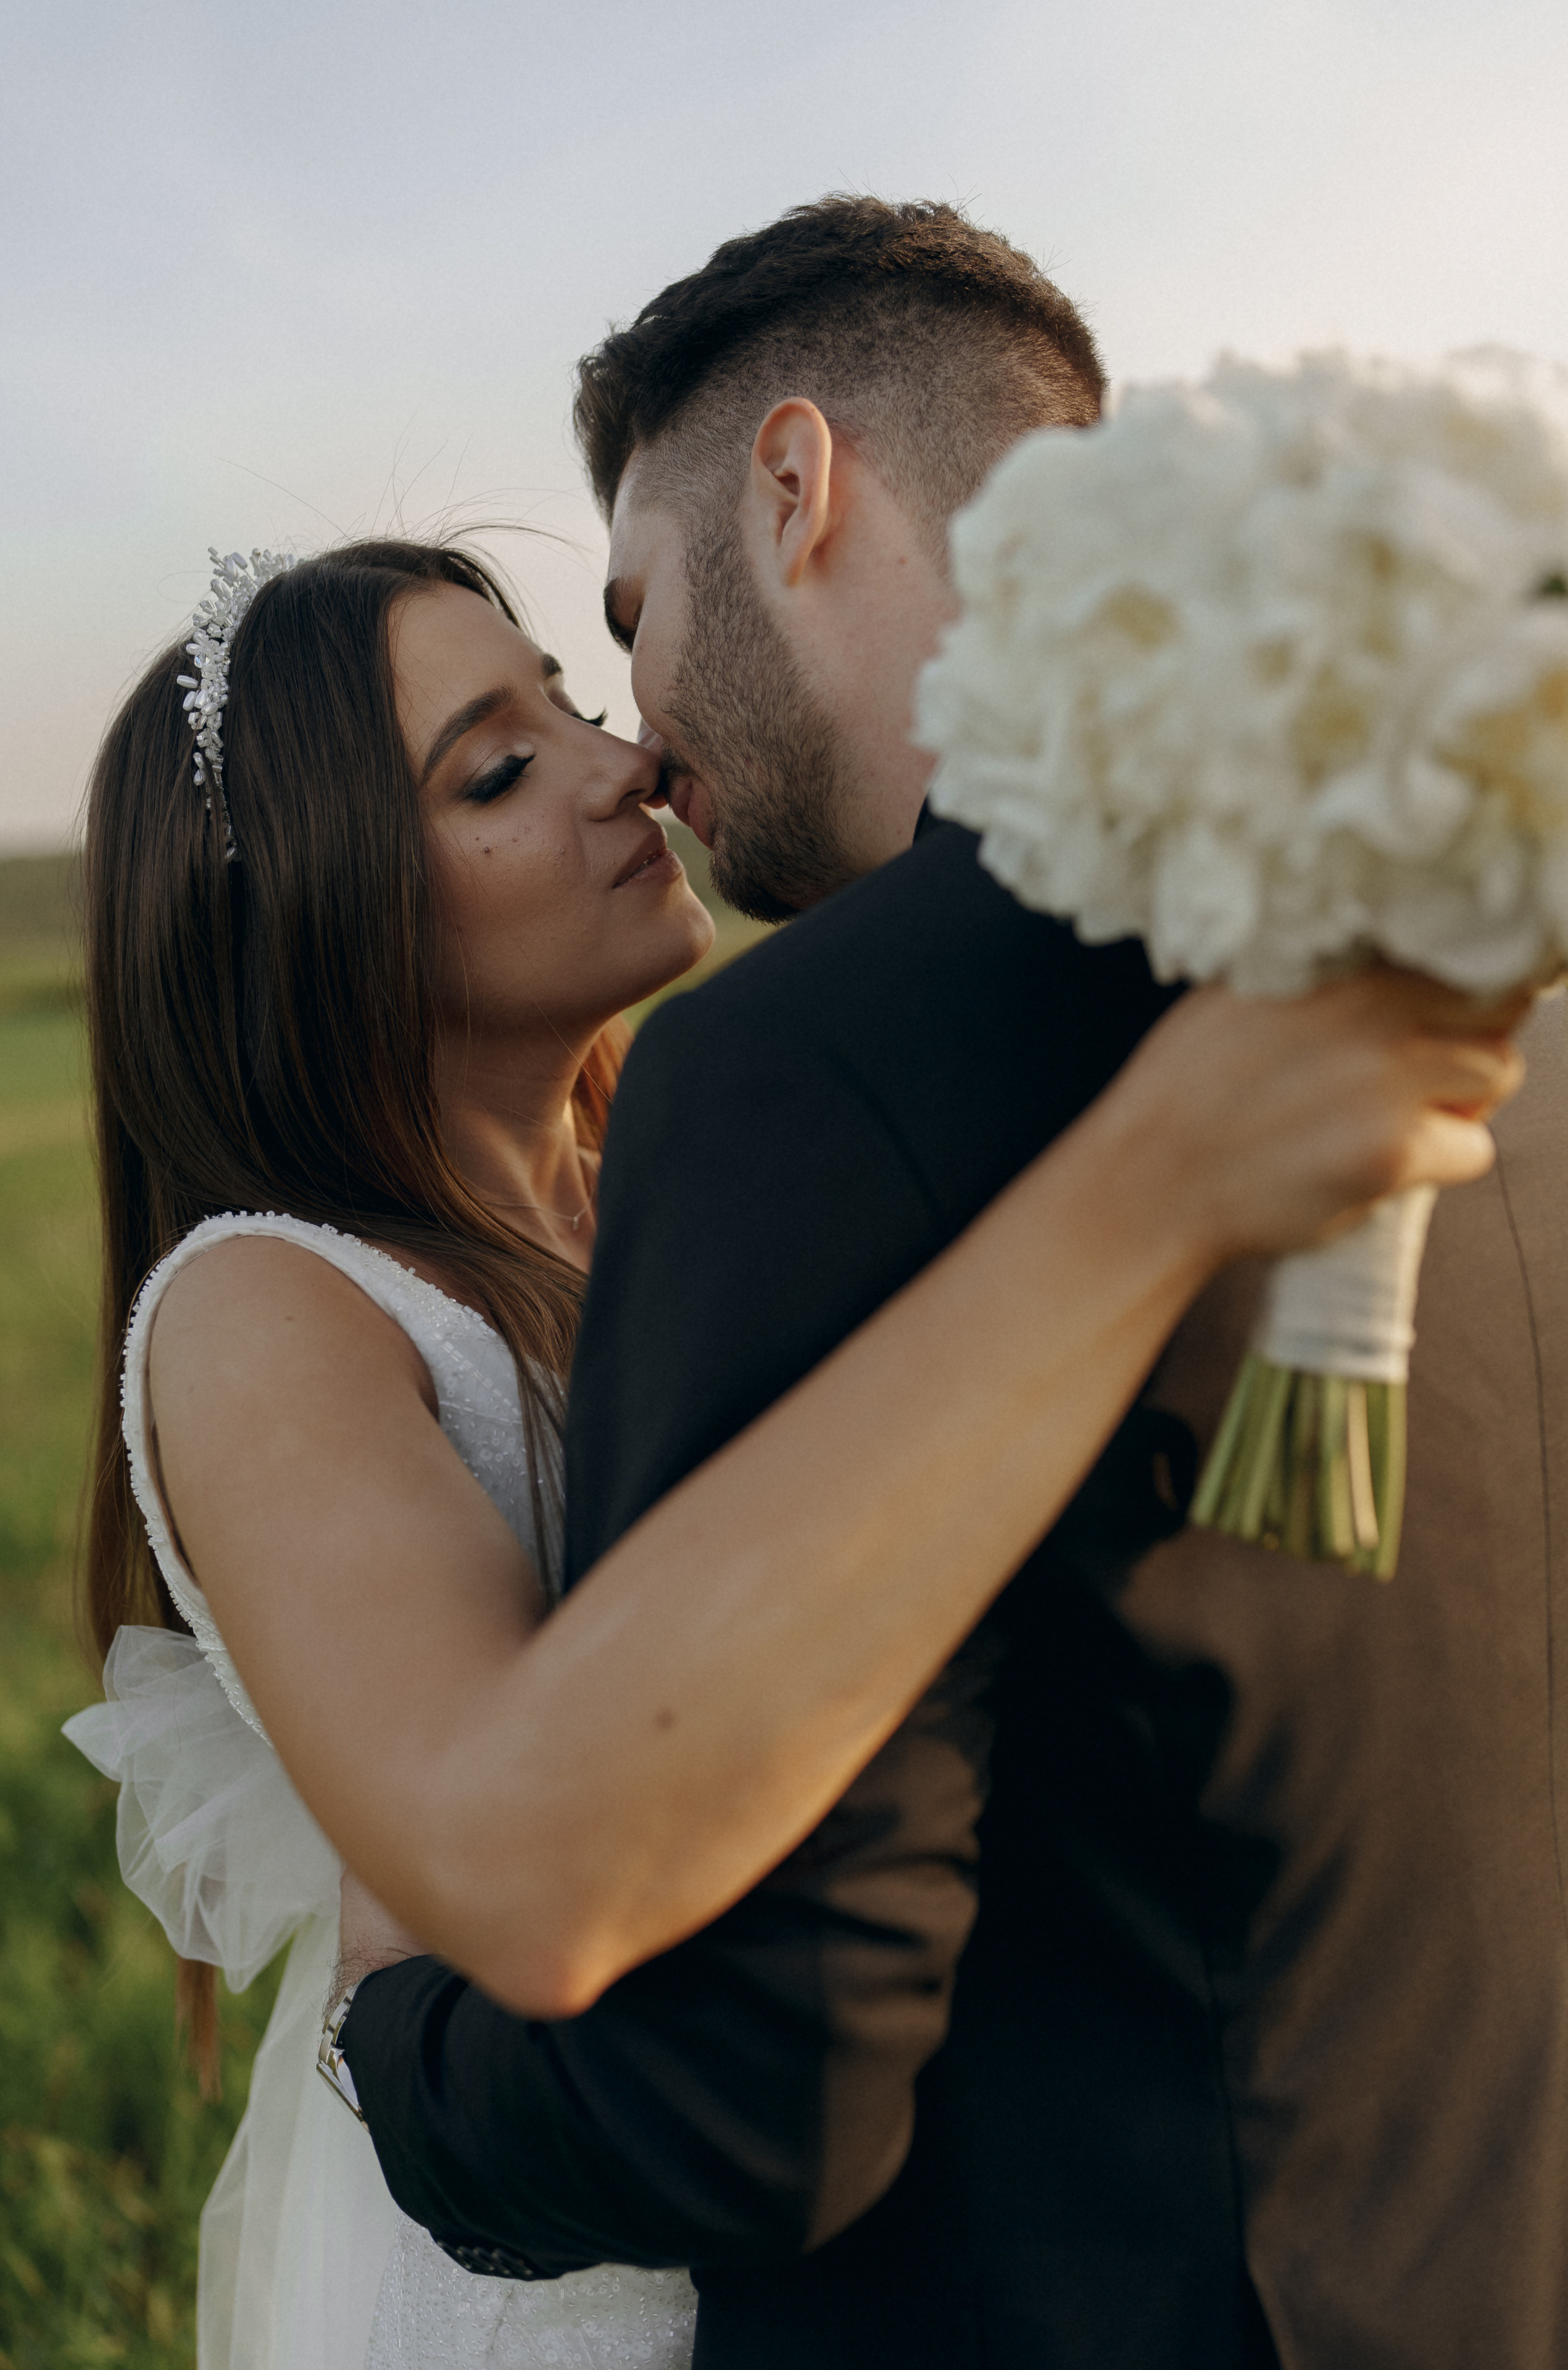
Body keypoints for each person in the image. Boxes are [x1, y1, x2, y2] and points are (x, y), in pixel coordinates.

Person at [64, 518, 1516, 2370]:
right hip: (556, 2257)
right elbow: (501, 1857)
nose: (625, 765)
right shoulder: (268, 1307)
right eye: (504, 770)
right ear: (321, 908)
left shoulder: (658, 1191)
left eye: (577, 705)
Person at [330, 203, 1561, 2367]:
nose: (637, 728)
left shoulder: (807, 1066)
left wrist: (392, 2043)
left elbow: (739, 2106)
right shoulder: (1498, 972)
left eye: (630, 616)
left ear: (793, 488)